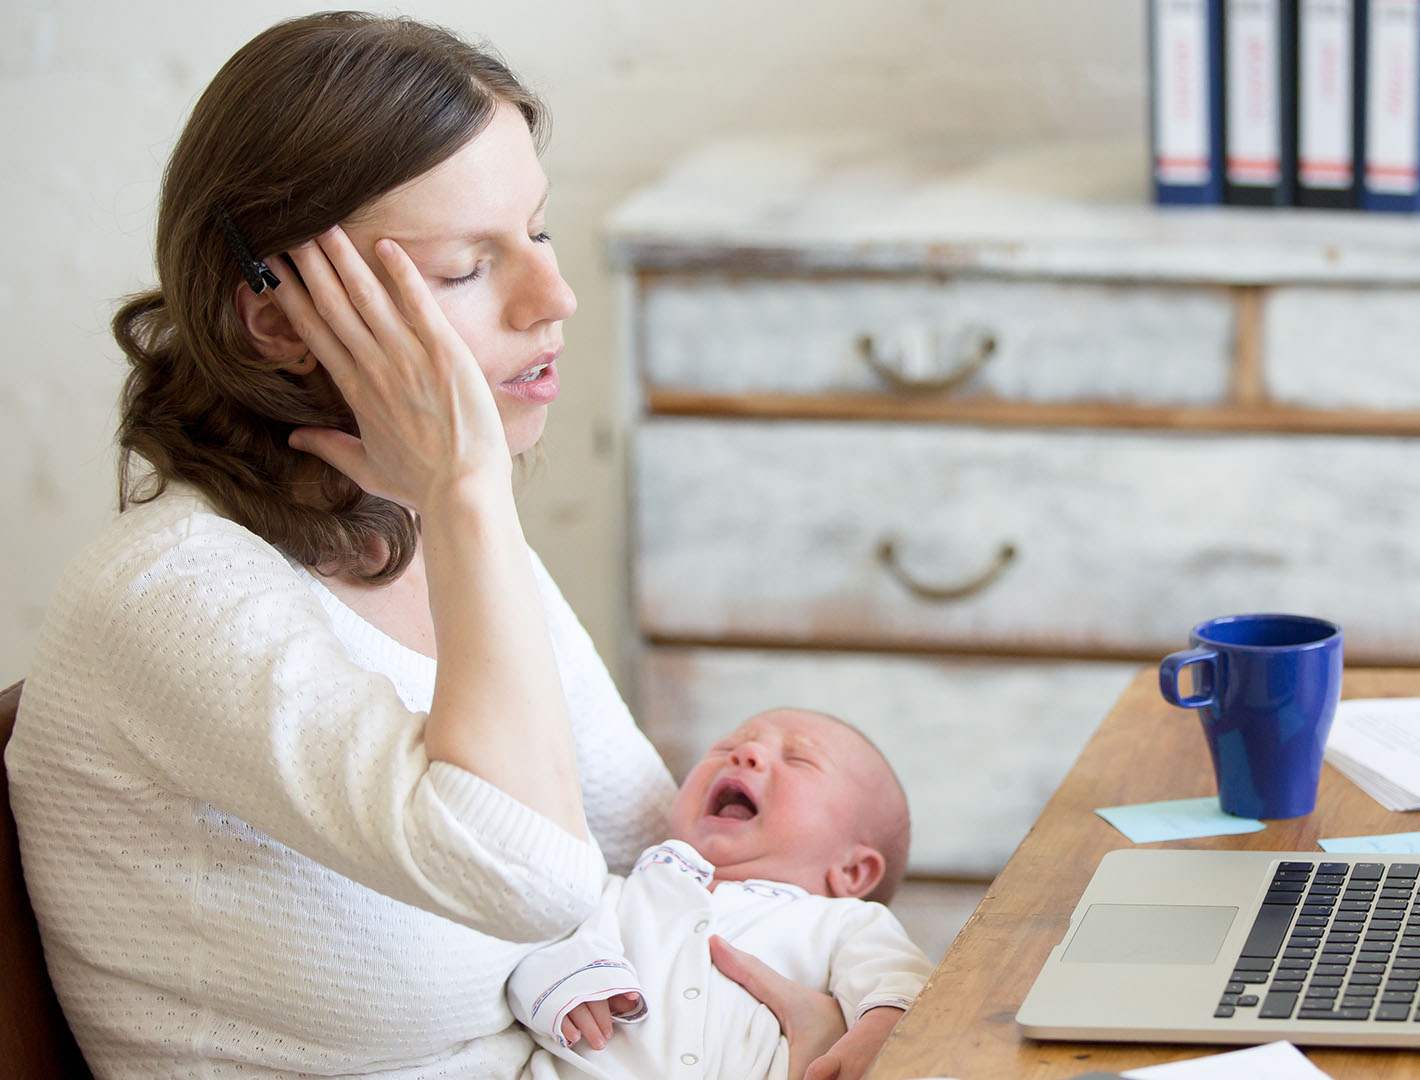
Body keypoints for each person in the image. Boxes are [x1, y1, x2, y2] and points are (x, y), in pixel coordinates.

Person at [4, 13, 843, 1078]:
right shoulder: (172, 593)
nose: (554, 298)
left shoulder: (416, 531)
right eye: (462, 269)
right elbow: (537, 876)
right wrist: (467, 494)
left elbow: (649, 855)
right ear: (280, 320)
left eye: (535, 232)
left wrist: (835, 1007)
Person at [508, 707, 932, 1080]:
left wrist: (877, 1034)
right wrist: (566, 987)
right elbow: (535, 955)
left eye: (798, 759)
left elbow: (902, 983)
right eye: (727, 746)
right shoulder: (626, 891)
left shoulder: (844, 922)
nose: (745, 754)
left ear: (853, 870)